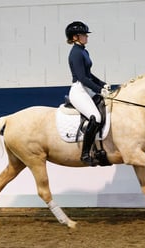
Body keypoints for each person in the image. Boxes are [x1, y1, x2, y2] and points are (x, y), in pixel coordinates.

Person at [65, 21, 110, 165]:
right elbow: (82, 78)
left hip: (86, 89)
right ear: (75, 37)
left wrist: (102, 84)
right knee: (95, 117)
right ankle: (85, 154)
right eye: (84, 35)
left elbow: (89, 74)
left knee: (105, 109)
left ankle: (99, 150)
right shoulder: (75, 53)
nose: (86, 37)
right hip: (79, 90)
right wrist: (99, 90)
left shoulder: (84, 51)